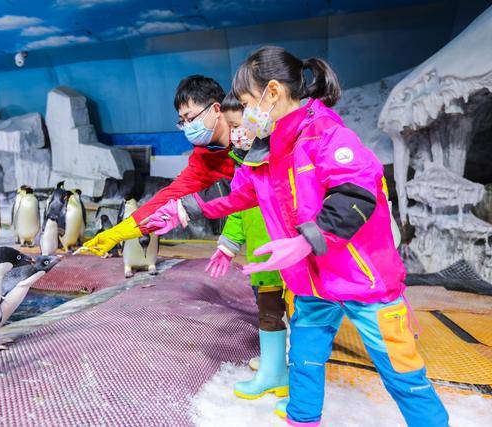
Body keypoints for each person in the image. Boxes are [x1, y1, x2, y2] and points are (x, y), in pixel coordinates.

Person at [143, 46, 449, 427]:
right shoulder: (264, 150)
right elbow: (236, 192)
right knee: (304, 364)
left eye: (246, 101)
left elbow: (355, 193)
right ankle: (302, 421)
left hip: (362, 282)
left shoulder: (327, 136)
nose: (244, 112)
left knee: (404, 377)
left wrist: (305, 241)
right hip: (312, 285)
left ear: (272, 93)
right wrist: (183, 210)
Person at [81, 75, 235, 256]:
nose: (187, 127)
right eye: (182, 121)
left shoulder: (254, 135)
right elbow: (165, 200)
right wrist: (117, 233)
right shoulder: (204, 159)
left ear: (216, 109)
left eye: (190, 117)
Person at [208, 91, 288, 400]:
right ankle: (274, 368)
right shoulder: (244, 167)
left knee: (296, 314)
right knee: (267, 311)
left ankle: (290, 368)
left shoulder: (280, 159)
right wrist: (227, 245)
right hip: (261, 257)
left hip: (287, 257)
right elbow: (239, 211)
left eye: (239, 124)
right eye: (231, 127)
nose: (236, 134)